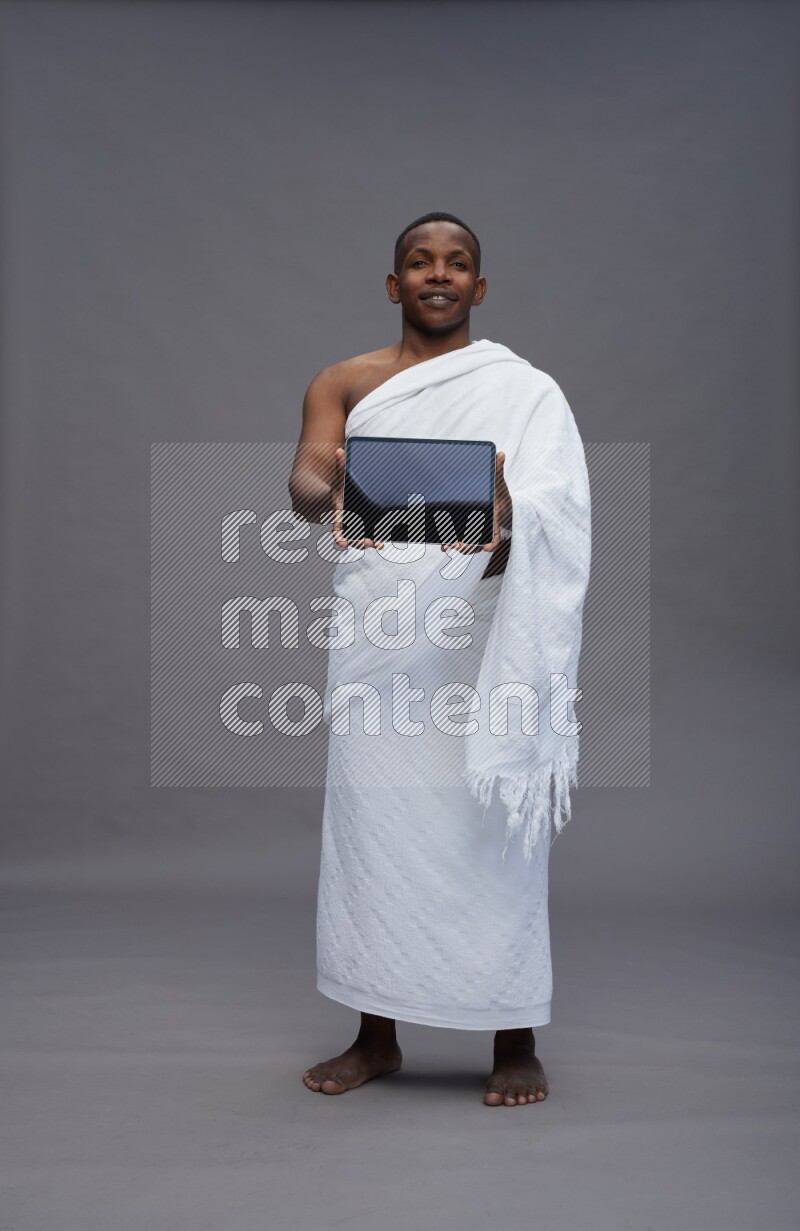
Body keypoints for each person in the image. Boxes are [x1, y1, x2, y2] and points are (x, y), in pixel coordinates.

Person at [288, 212, 586, 1107]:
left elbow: (555, 502)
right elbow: (304, 479)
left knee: (488, 822)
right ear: (394, 284)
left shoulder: (524, 389)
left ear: (480, 288)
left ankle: (514, 1032)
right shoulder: (344, 381)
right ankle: (375, 1034)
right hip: (381, 627)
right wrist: (334, 483)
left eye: (457, 263)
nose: (438, 273)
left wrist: (510, 510)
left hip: (485, 627)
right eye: (419, 261)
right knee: (375, 829)